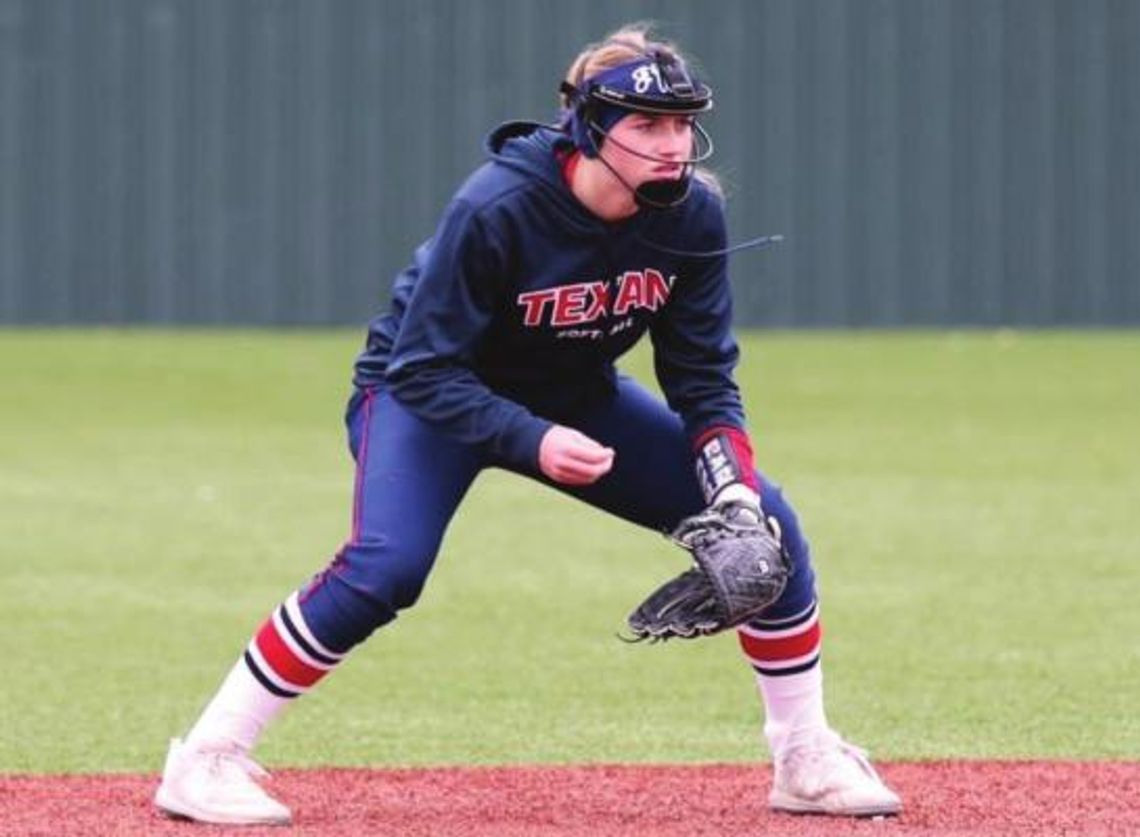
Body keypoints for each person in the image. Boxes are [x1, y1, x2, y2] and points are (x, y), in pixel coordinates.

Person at [154, 23, 901, 826]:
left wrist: (735, 495)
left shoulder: (692, 217)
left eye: (683, 123)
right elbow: (421, 368)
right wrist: (529, 437)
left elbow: (702, 377)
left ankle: (804, 754)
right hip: (428, 395)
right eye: (647, 125)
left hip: (573, 394)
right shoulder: (498, 206)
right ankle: (206, 759)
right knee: (386, 568)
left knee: (771, 529)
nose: (673, 144)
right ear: (587, 127)